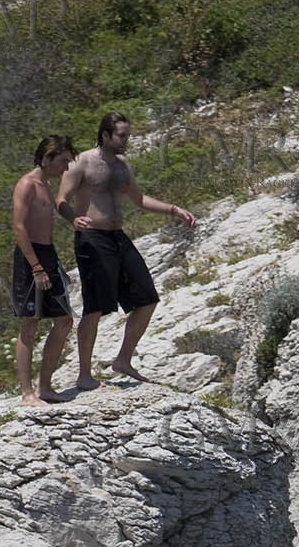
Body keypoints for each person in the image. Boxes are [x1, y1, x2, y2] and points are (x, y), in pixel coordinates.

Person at [55, 111, 195, 388]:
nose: (126, 140)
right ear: (105, 135)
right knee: (94, 307)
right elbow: (61, 199)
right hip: (91, 238)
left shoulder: (122, 165)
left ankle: (123, 360)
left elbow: (140, 199)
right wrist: (73, 218)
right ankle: (84, 375)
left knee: (147, 298)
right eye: (121, 135)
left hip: (117, 237)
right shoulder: (82, 162)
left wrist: (173, 210)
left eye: (127, 135)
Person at [11, 135, 77, 406]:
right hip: (31, 260)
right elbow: (19, 227)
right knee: (30, 324)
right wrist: (36, 266)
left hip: (48, 256)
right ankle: (27, 393)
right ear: (47, 158)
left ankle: (45, 386)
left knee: (63, 320)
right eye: (62, 161)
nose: (65, 167)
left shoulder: (46, 186)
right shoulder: (27, 184)